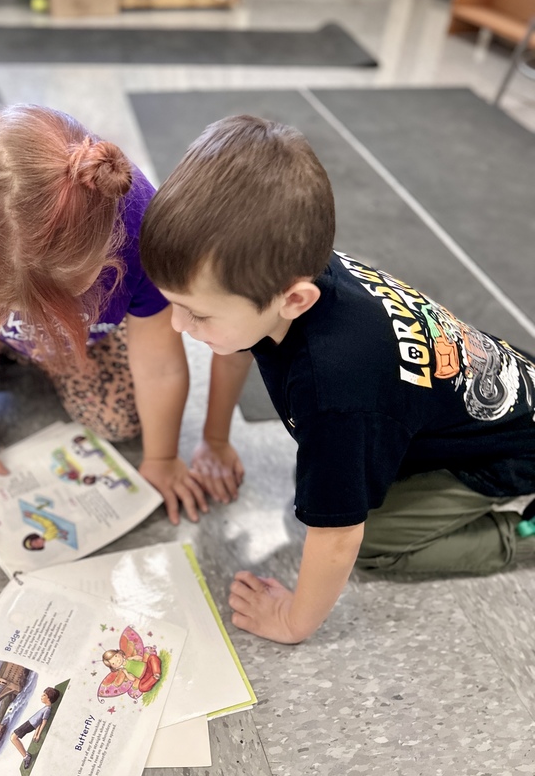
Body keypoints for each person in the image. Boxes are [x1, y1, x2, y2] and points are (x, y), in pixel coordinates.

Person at [139, 114, 535, 644]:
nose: (177, 325)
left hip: (506, 453)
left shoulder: (334, 395)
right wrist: (214, 439)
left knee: (375, 540)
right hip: (497, 392)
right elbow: (236, 347)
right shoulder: (286, 272)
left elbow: (339, 537)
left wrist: (293, 621)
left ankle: (523, 535)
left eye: (197, 314)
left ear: (294, 299)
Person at [0, 105, 244, 523]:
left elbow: (158, 363)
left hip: (83, 339)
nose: (35, 314)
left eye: (64, 297)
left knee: (124, 421)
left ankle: (8, 335)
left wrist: (163, 457)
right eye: (11, 302)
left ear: (108, 247)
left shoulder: (140, 227)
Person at [10, 687, 60, 769]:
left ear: (49, 698)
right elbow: (39, 722)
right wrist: (35, 734)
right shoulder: (45, 708)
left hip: (29, 724)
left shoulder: (47, 709)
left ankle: (26, 757)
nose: (41, 696)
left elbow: (43, 722)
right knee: (13, 737)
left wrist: (38, 734)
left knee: (13, 738)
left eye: (44, 695)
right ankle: (26, 755)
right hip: (29, 723)